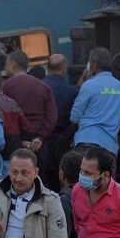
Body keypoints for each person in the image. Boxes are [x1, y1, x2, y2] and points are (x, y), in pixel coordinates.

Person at [2, 50, 58, 163]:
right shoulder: (43, 86)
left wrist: (21, 141)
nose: (5, 68)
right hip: (38, 143)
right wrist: (40, 138)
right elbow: (52, 117)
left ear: (13, 65)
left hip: (14, 144)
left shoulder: (5, 87)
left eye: (6, 64)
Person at [71, 47, 120, 154]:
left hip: (86, 141)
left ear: (94, 64)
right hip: (110, 147)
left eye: (89, 61)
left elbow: (74, 117)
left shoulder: (89, 85)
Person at [41, 53, 79, 190]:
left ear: (48, 68)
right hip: (63, 142)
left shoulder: (40, 86)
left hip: (42, 141)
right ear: (64, 69)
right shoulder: (72, 91)